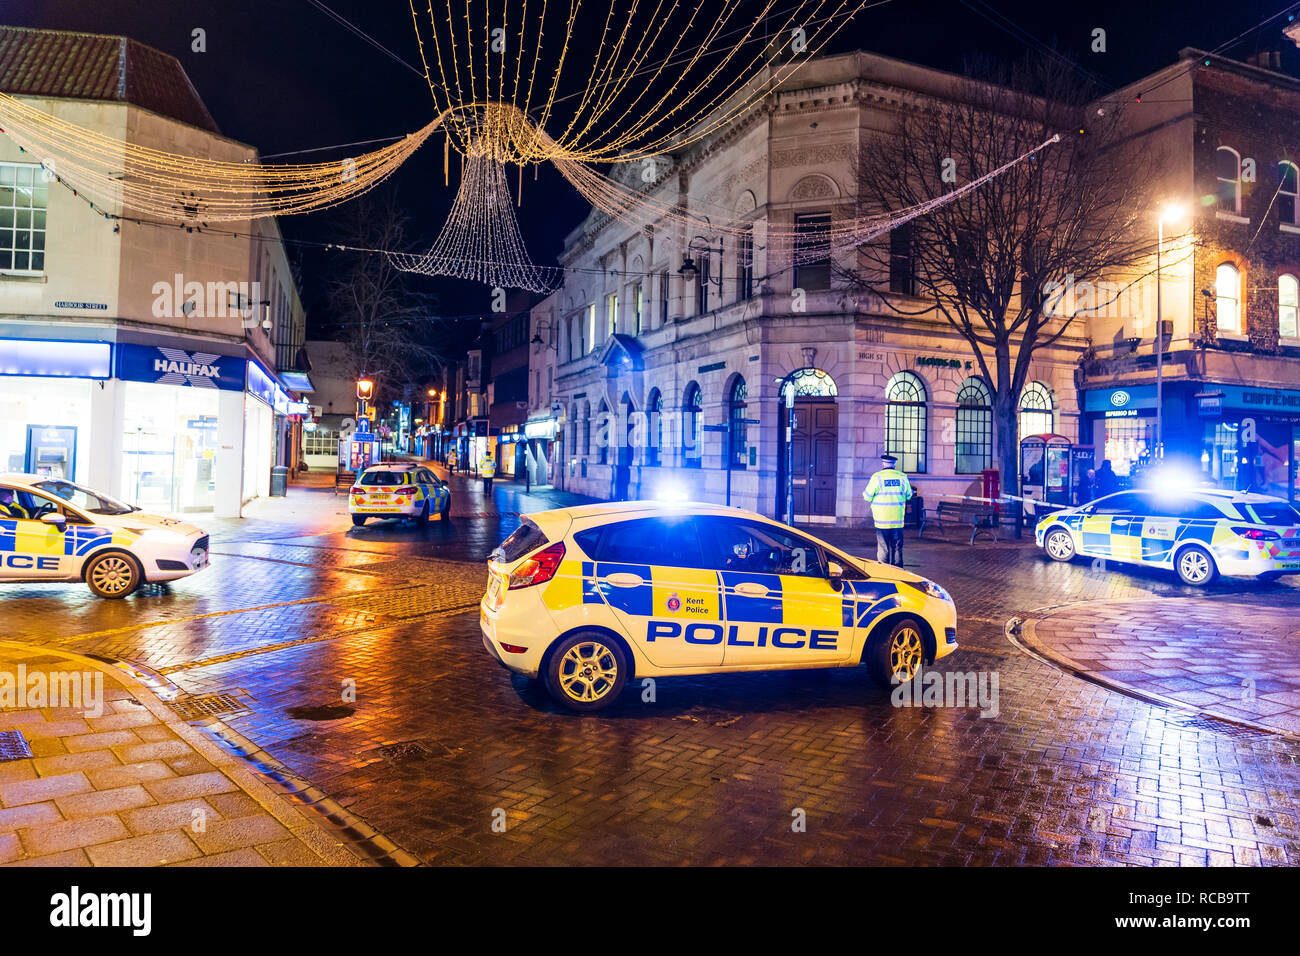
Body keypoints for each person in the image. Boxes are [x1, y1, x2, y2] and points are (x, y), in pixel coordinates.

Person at [862, 453, 913, 567]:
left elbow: (867, 496)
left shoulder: (877, 477)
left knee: (883, 548)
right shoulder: (902, 477)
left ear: (883, 464)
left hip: (882, 521)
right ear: (894, 465)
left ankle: (884, 571)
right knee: (897, 548)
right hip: (897, 520)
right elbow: (909, 495)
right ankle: (898, 572)